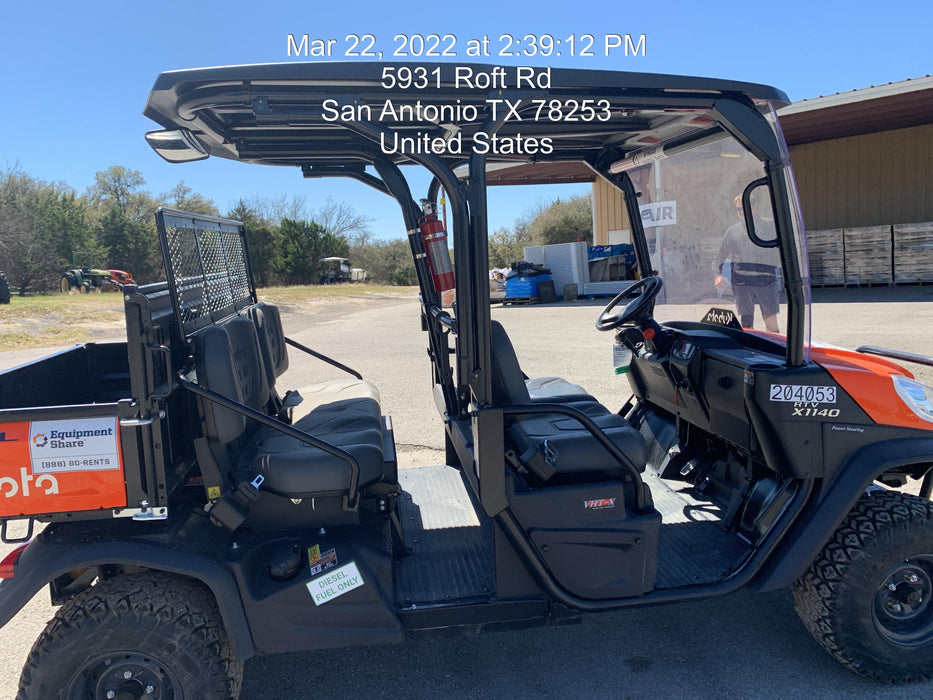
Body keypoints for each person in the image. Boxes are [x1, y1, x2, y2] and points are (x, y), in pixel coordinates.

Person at [714, 195, 782, 332]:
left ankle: (776, 348)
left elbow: (782, 250)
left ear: (755, 207)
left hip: (765, 280)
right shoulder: (732, 232)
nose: (741, 211)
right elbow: (719, 257)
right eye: (738, 208)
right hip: (741, 282)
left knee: (770, 318)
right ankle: (750, 351)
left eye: (744, 208)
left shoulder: (770, 226)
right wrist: (717, 275)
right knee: (746, 320)